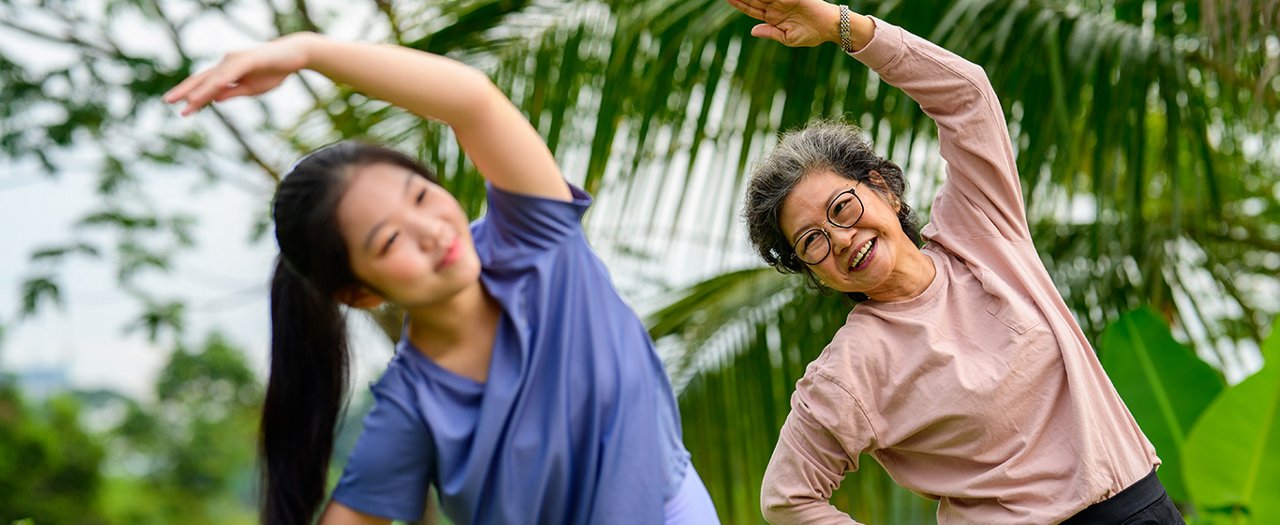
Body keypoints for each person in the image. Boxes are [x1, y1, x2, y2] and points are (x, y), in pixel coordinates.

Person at [163, 31, 719, 525]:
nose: (430, 231)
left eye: (422, 196)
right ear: (359, 293)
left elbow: (471, 100)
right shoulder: (412, 408)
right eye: (389, 240)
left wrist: (307, 51)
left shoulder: (534, 238)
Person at [728, 0, 1185, 523]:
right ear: (812, 270)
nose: (839, 238)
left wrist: (842, 27)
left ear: (883, 190)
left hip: (1144, 505)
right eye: (811, 240)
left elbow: (967, 95)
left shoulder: (982, 231)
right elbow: (788, 497)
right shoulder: (849, 368)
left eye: (842, 208)